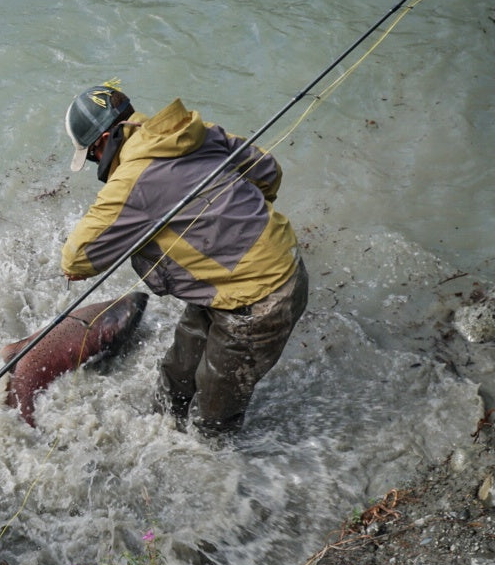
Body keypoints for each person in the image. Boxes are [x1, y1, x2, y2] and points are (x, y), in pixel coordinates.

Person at [60, 84, 309, 435]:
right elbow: (268, 171)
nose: (94, 163)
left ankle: (212, 458)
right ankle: (162, 434)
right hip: (247, 275)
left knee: (212, 423)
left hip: (264, 299)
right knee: (175, 380)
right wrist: (230, 224)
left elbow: (75, 259)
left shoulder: (129, 183)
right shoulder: (192, 131)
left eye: (90, 156)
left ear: (103, 141)